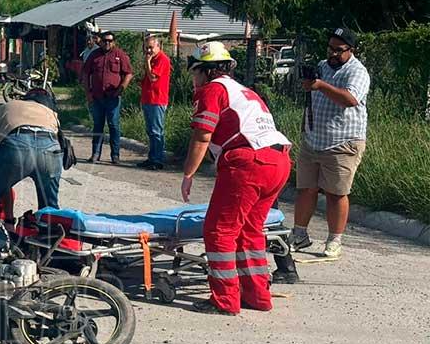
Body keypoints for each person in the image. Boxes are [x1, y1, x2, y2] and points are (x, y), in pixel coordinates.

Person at [181, 42, 292, 315]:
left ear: (206, 70)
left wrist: (188, 174)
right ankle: (258, 296)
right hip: (278, 161)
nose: (194, 79)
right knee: (250, 232)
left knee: (219, 231)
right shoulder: (243, 90)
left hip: (249, 162)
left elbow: (202, 136)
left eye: (195, 72)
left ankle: (225, 300)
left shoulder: (213, 90)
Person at [292, 27, 370, 258]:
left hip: (342, 142)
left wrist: (320, 85)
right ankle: (299, 234)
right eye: (330, 48)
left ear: (351, 50)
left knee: (336, 193)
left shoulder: (357, 71)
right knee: (305, 189)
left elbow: (350, 99)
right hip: (313, 139)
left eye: (339, 50)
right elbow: (312, 98)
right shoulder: (322, 66)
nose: (333, 53)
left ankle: (335, 240)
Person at [0, 89, 62, 230]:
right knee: (50, 208)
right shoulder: (50, 113)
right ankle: (49, 239)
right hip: (50, 148)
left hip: (18, 145)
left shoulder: (6, 107)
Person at [80, 31, 133, 164]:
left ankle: (115, 155)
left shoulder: (120, 55)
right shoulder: (94, 55)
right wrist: (88, 93)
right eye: (105, 41)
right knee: (98, 125)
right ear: (100, 42)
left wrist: (121, 88)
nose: (107, 43)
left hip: (113, 97)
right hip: (97, 97)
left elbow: (128, 73)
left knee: (113, 125)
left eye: (110, 41)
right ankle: (95, 154)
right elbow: (85, 73)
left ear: (114, 42)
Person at [138, 36, 172, 170]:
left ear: (158, 46)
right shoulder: (152, 59)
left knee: (156, 131)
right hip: (147, 98)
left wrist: (147, 62)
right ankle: (152, 157)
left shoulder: (162, 59)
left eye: (151, 47)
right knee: (150, 131)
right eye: (146, 48)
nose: (148, 50)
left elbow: (153, 77)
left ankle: (157, 160)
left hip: (157, 100)